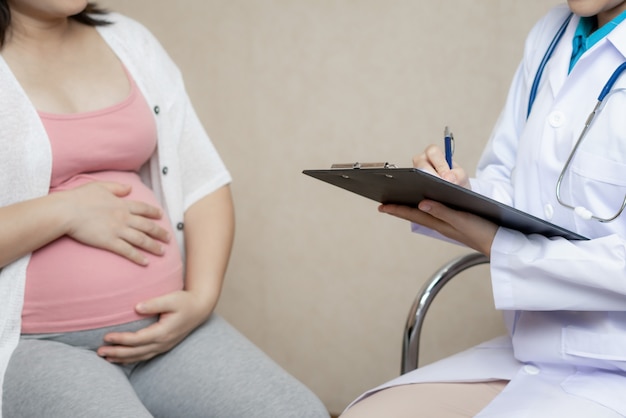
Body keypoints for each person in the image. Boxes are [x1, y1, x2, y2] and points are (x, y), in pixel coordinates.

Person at [0, 1, 329, 417]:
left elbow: (202, 181)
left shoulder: (128, 40)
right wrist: (65, 211)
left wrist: (201, 298)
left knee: (299, 412)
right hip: (36, 345)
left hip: (168, 331)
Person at [340, 1, 626, 417]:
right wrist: (458, 193)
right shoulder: (551, 34)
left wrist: (499, 245)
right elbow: (509, 179)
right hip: (532, 348)